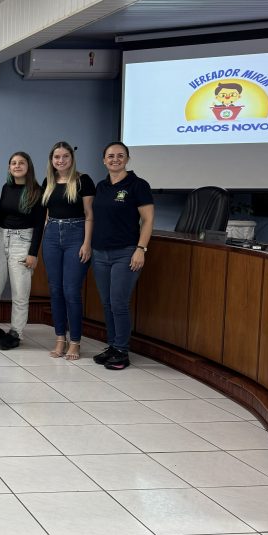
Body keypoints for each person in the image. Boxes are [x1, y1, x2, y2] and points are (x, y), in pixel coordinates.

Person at [91, 141, 154, 371]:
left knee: (119, 302)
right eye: (110, 156)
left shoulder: (138, 185)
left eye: (120, 155)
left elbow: (147, 220)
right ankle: (113, 346)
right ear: (104, 160)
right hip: (100, 253)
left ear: (127, 159)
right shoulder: (101, 186)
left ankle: (122, 351)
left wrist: (141, 249)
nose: (115, 159)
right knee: (107, 303)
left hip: (126, 252)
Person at [0, 152, 45, 350]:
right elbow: (2, 215)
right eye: (13, 163)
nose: (17, 166)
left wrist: (33, 253)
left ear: (28, 166)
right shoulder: (6, 187)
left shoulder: (37, 191)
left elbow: (39, 224)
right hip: (0, 237)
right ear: (9, 167)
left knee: (20, 291)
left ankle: (16, 332)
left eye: (21, 163)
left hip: (23, 241)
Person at [40, 141, 95, 360]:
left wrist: (87, 243)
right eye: (57, 157)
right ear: (51, 160)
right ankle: (60, 338)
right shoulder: (48, 181)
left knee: (71, 291)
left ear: (72, 158)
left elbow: (89, 214)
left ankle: (75, 342)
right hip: (52, 235)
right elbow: (46, 213)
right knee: (55, 290)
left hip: (76, 234)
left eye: (65, 156)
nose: (61, 160)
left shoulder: (83, 180)